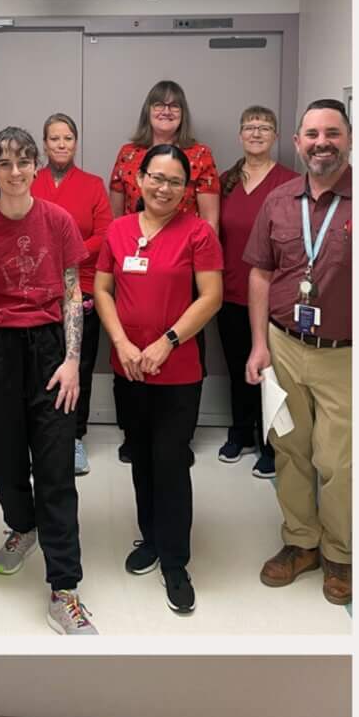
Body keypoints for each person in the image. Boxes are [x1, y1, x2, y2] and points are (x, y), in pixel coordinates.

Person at [0, 126, 96, 636]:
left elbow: (73, 293)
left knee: (56, 470)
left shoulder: (58, 221)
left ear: (36, 166)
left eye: (24, 162)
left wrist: (73, 360)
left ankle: (65, 589)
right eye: (5, 163)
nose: (15, 172)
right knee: (3, 463)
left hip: (51, 350)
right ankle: (23, 526)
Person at [92, 143, 224, 616]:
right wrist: (122, 343)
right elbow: (102, 288)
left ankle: (175, 560)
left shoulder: (198, 234)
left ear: (186, 188)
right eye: (156, 177)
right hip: (129, 368)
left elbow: (211, 296)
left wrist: (168, 340)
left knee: (170, 462)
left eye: (174, 181)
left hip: (177, 372)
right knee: (141, 458)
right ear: (139, 179)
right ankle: (149, 537)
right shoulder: (120, 230)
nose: (163, 187)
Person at [246, 100, 352, 607]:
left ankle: (341, 553)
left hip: (346, 355)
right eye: (311, 133)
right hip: (285, 345)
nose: (321, 142)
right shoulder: (280, 200)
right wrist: (260, 345)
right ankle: (301, 543)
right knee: (290, 449)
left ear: (348, 139)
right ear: (297, 141)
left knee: (340, 460)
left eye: (331, 132)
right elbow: (261, 272)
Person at [31, 113, 112, 476]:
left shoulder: (93, 185)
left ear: (75, 143)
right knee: (42, 367)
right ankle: (43, 438)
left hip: (83, 287)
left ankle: (75, 437)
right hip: (38, 289)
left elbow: (106, 232)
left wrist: (66, 251)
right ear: (44, 144)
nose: (61, 144)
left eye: (67, 138)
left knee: (80, 366)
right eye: (54, 138)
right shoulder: (31, 182)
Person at [213, 106, 293, 468]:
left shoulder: (290, 182)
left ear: (276, 136)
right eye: (250, 127)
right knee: (236, 367)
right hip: (230, 291)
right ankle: (241, 432)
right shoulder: (225, 180)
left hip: (275, 296)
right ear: (240, 135)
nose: (256, 133)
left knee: (270, 371)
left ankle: (271, 444)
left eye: (264, 127)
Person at [107, 78, 222, 229]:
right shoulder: (127, 154)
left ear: (183, 114)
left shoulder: (200, 155)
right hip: (135, 244)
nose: (166, 111)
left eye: (174, 106)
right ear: (148, 111)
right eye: (159, 105)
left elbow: (209, 221)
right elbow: (116, 217)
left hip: (184, 245)